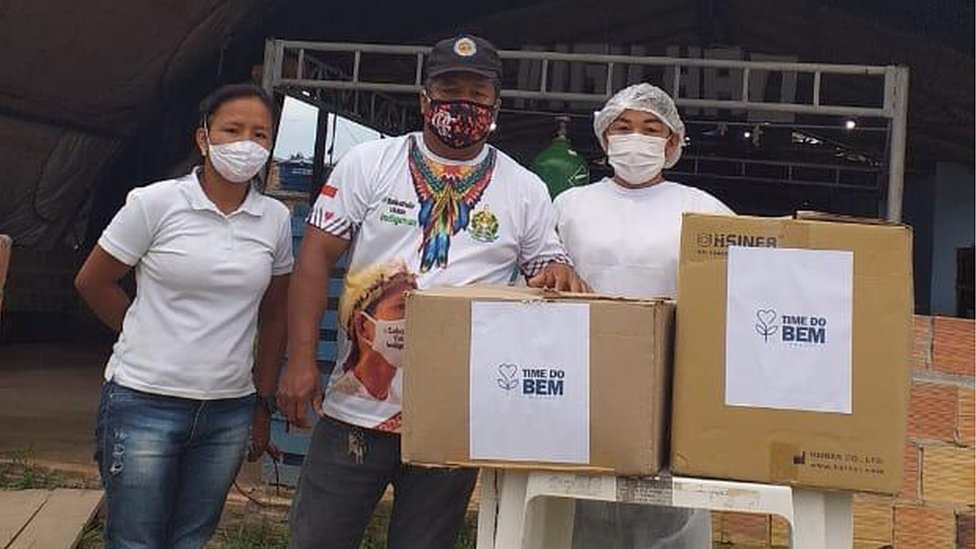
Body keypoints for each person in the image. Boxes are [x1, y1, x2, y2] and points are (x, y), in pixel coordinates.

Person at [279, 34, 588, 549]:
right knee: (317, 539)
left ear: (495, 107)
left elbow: (547, 262)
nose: (462, 103)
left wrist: (557, 271)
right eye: (449, 87)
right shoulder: (370, 163)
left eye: (478, 92)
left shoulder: (523, 187)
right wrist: (300, 360)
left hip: (454, 418)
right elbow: (314, 257)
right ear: (425, 100)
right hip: (356, 407)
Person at [74, 83, 292, 549]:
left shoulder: (274, 219)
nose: (246, 145)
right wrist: (142, 329)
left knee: (191, 538)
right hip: (143, 401)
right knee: (135, 539)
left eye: (260, 135)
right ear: (203, 139)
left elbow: (275, 316)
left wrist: (262, 403)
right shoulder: (154, 203)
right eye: (232, 130)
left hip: (227, 411)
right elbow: (93, 281)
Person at [555, 83, 733, 548]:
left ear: (672, 143)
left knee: (669, 507)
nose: (637, 139)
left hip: (672, 387)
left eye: (651, 129)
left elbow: (739, 287)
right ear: (605, 138)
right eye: (624, 127)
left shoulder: (701, 210)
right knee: (578, 503)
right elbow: (538, 279)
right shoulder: (571, 207)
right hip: (582, 382)